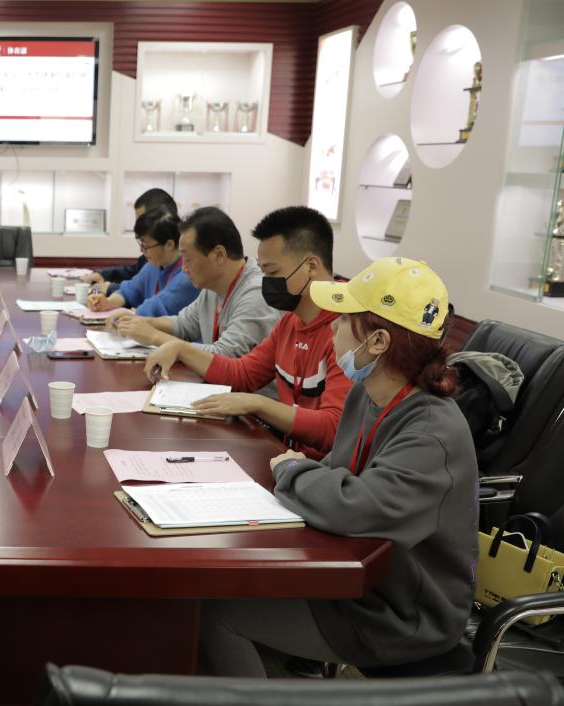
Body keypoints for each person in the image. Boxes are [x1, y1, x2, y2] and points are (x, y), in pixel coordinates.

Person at [200, 257, 477, 677]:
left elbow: (354, 506)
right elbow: (335, 472)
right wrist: (309, 476)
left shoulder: (431, 433)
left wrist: (292, 472)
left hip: (400, 614)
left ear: (379, 341)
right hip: (359, 582)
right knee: (225, 589)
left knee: (216, 611)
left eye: (344, 319)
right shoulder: (366, 396)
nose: (332, 328)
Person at [142, 206, 352, 459]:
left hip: (319, 470)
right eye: (263, 272)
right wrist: (180, 348)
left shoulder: (348, 329)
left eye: (273, 272)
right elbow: (243, 373)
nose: (265, 282)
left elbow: (333, 428)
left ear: (311, 266)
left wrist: (258, 403)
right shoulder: (290, 321)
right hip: (287, 458)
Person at [104, 206, 279, 358]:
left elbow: (226, 355)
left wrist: (153, 336)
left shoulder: (257, 293)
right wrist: (141, 322)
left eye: (188, 259)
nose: (184, 269)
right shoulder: (212, 287)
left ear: (218, 255)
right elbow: (183, 324)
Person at [86, 207, 199, 316]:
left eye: (146, 246)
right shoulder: (153, 266)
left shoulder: (188, 274)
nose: (141, 250)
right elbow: (129, 291)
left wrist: (134, 313)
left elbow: (157, 308)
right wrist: (108, 302)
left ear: (169, 244)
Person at [83, 188, 178, 295]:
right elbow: (133, 274)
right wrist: (102, 274)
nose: (138, 227)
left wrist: (109, 288)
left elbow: (147, 295)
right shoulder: (153, 258)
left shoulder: (180, 268)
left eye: (141, 221)